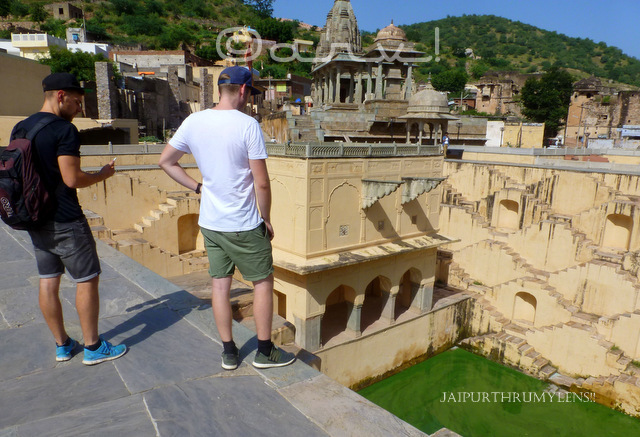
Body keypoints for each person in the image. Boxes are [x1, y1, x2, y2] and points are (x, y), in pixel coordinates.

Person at [159, 66, 295, 371]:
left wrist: (198, 187)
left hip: (211, 222)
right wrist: (267, 218)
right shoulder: (247, 125)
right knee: (262, 283)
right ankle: (264, 351)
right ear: (244, 91)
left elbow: (165, 161)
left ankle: (229, 352)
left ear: (221, 89)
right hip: (244, 223)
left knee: (220, 285)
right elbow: (261, 182)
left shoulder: (194, 121)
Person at [11, 73, 127, 365]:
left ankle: (62, 345)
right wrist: (103, 174)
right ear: (61, 96)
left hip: (34, 217)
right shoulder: (64, 130)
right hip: (65, 218)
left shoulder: (21, 128)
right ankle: (93, 347)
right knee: (87, 280)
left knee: (48, 280)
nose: (79, 109)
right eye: (76, 102)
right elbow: (72, 178)